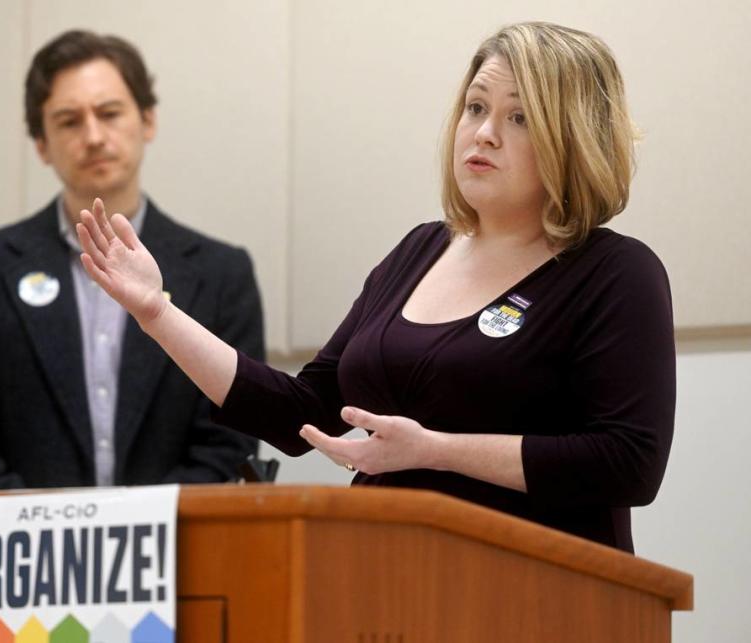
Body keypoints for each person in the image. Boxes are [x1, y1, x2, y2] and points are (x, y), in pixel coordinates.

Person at [75, 22, 674, 552]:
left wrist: (433, 449)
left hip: (537, 593)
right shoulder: (418, 251)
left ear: (572, 137)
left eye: (518, 117)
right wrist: (156, 310)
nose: (484, 133)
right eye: (475, 107)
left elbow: (629, 464)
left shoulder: (616, 273)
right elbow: (303, 414)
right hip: (385, 577)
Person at [0, 30, 264, 490]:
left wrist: (139, 530)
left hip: (175, 548)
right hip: (25, 549)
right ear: (41, 144)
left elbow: (232, 443)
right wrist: (52, 532)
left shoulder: (222, 274)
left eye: (109, 113)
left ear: (147, 121)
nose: (94, 136)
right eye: (68, 121)